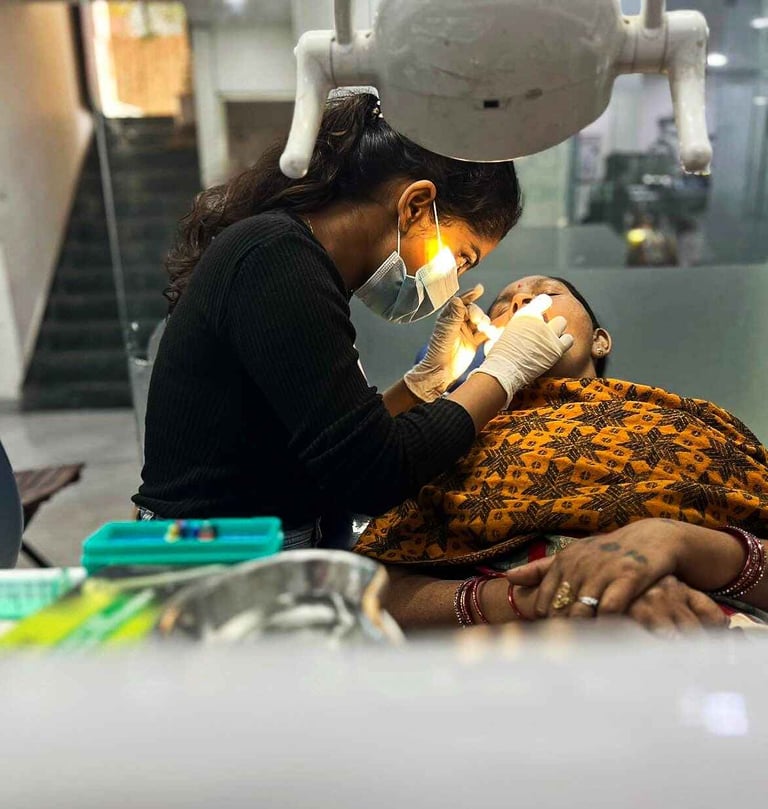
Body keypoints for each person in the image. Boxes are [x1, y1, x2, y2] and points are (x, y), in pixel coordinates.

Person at [133, 93, 574, 548]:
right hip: (214, 559)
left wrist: (424, 384)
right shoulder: (275, 260)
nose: (454, 281)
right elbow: (371, 473)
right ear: (416, 206)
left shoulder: (300, 264)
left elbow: (331, 445)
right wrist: (501, 372)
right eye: (461, 257)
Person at [354, 275, 768, 634]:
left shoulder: (686, 422)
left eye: (547, 293)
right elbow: (371, 590)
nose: (521, 302)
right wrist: (525, 598)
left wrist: (677, 542)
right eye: (504, 303)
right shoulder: (452, 441)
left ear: (600, 340)